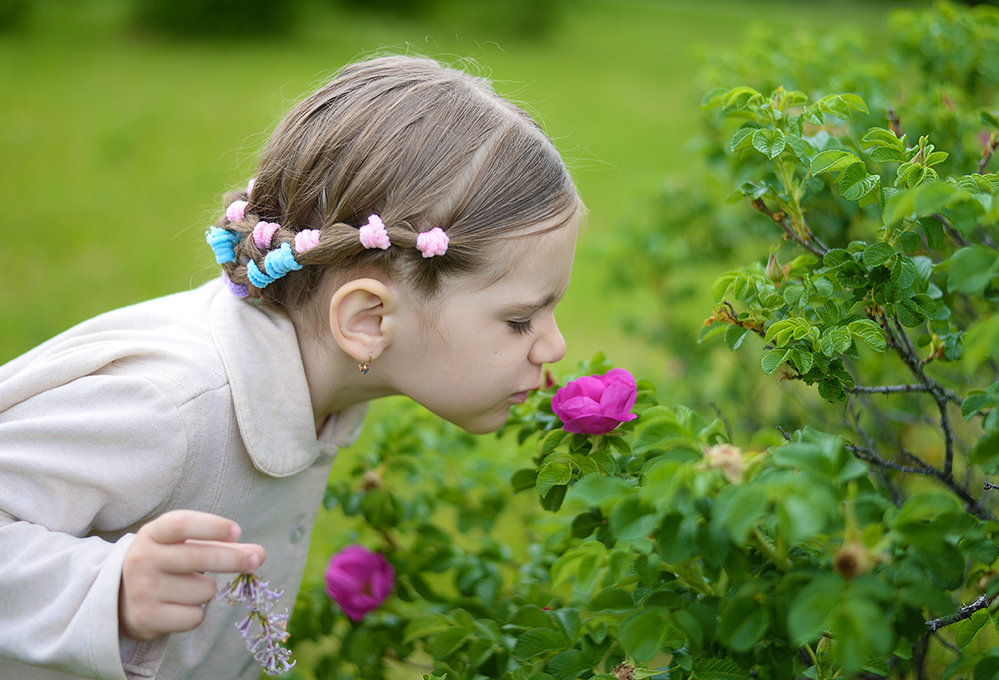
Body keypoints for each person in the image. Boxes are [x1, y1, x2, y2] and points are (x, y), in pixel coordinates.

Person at [0, 55, 582, 679]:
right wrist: (107, 591)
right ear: (366, 321)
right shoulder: (170, 406)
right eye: (520, 320)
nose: (555, 348)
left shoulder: (314, 379)